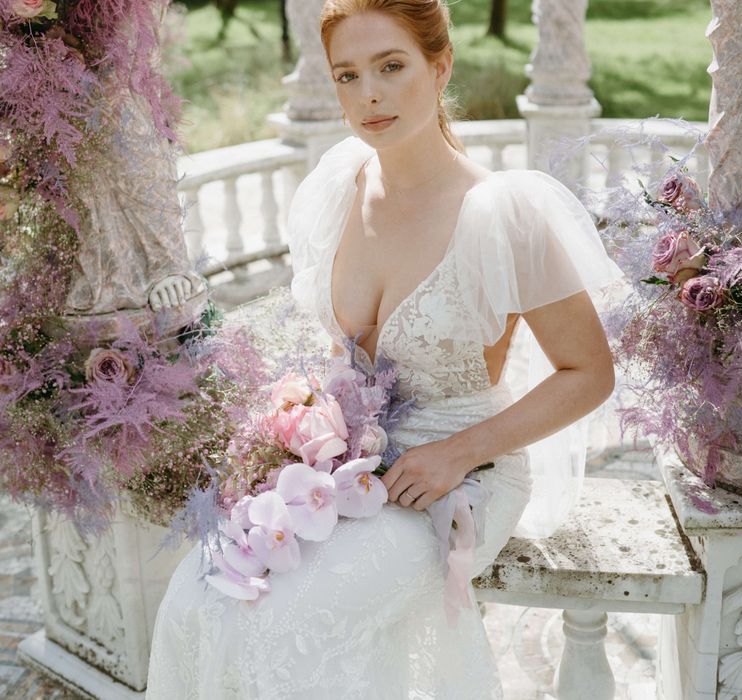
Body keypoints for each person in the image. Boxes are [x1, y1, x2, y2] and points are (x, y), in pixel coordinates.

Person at [146, 1, 622, 697]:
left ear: (440, 67)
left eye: (391, 67)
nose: (368, 94)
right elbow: (334, 356)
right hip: (349, 464)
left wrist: (456, 452)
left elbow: (589, 373)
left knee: (287, 624)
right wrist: (294, 432)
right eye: (348, 75)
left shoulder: (502, 213)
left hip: (460, 472)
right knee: (200, 595)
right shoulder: (341, 187)